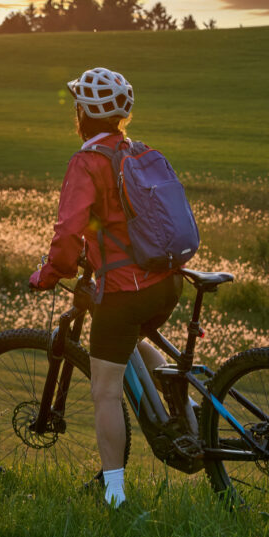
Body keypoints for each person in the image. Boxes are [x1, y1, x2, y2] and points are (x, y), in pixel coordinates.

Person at [28, 66, 182, 508]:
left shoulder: (87, 162)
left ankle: (114, 494)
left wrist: (49, 274)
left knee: (105, 391)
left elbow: (68, 232)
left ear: (82, 114)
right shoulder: (138, 152)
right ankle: (187, 417)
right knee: (133, 343)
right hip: (166, 283)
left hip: (124, 291)